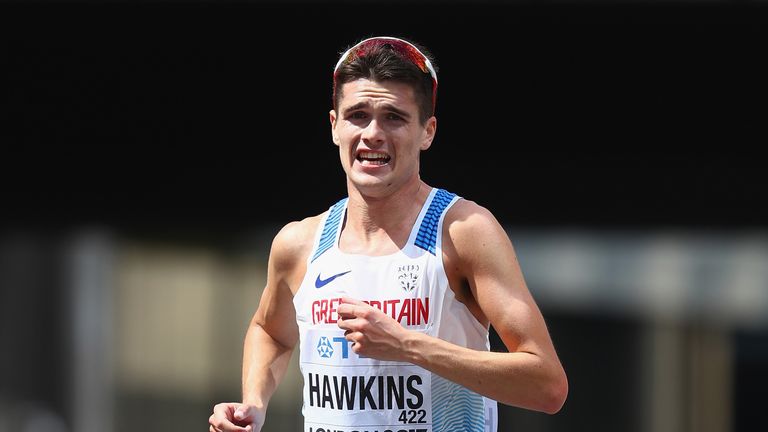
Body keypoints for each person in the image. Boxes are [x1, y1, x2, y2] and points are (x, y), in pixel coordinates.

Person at [209, 35, 568, 432]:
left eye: (394, 117)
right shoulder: (299, 243)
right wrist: (254, 404)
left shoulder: (463, 231)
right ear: (334, 126)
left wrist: (407, 345)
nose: (373, 134)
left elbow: (547, 386)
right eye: (357, 115)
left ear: (427, 132)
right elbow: (270, 331)